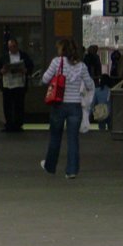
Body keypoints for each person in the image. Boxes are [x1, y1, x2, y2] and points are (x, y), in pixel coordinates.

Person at [40, 38, 94, 179]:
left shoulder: (57, 62)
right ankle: (71, 171)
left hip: (59, 104)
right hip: (75, 106)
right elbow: (90, 84)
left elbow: (45, 79)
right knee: (73, 139)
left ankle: (50, 166)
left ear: (62, 49)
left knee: (55, 137)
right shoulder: (82, 66)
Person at [0, 39, 34, 132]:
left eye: (14, 46)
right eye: (10, 47)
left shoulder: (23, 56)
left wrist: (26, 70)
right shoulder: (4, 57)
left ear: (17, 46)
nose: (12, 48)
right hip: (7, 84)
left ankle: (18, 124)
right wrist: (1, 71)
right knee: (7, 105)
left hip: (19, 84)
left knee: (19, 105)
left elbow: (30, 66)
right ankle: (9, 124)